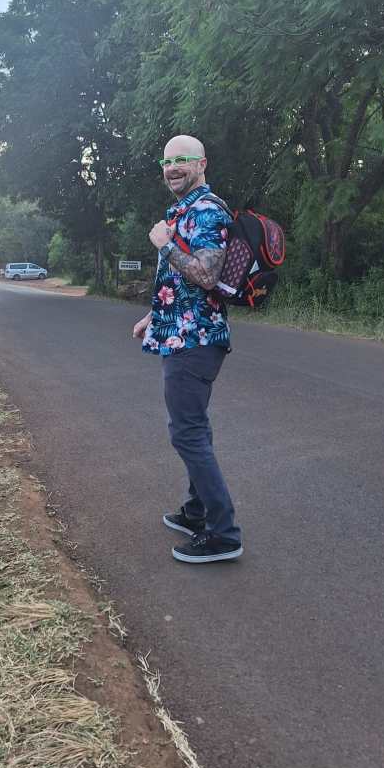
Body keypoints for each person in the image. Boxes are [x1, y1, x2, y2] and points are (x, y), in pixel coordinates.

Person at [132, 135, 243, 564]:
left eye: (182, 159)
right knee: (195, 426)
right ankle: (197, 512)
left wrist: (165, 244)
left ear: (202, 164)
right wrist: (152, 316)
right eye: (167, 161)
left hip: (195, 340)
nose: (173, 167)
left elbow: (206, 276)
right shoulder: (182, 211)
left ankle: (224, 533)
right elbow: (178, 283)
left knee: (187, 433)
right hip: (180, 330)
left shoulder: (208, 210)